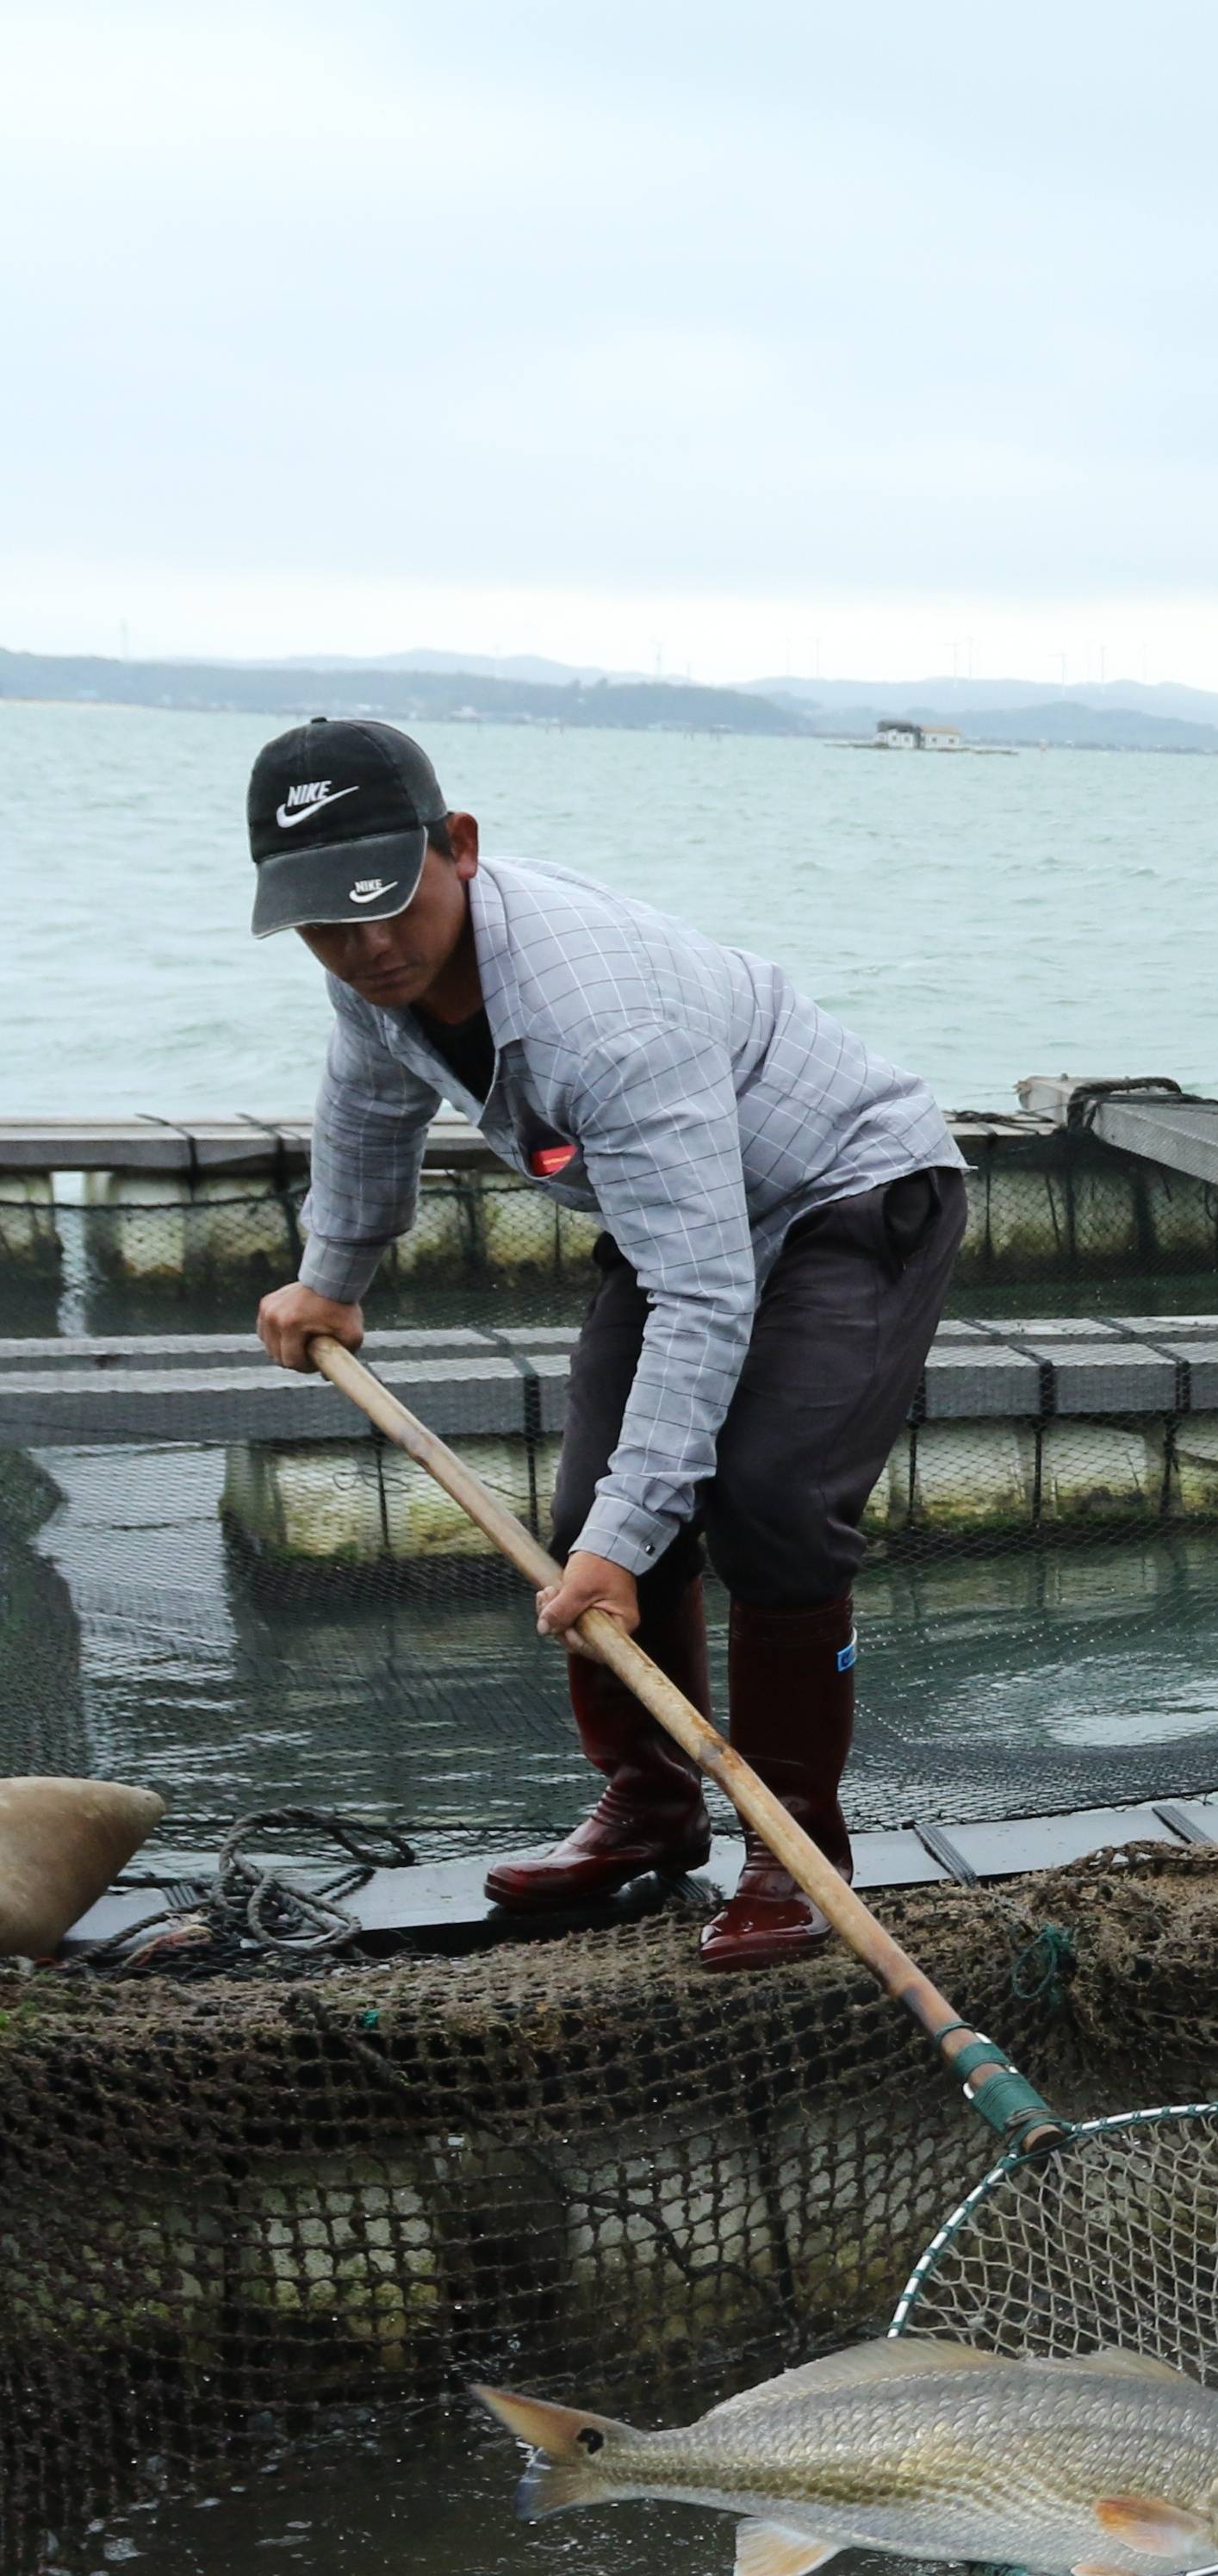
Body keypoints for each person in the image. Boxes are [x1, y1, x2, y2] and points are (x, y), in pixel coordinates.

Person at [242, 719, 965, 1968]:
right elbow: (366, 1114)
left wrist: (629, 1546)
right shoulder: (372, 977)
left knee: (769, 1498)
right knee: (592, 1509)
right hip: (683, 1208)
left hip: (847, 1193)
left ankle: (796, 1847)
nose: (362, 949)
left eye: (382, 908)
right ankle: (650, 1809)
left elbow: (702, 1295)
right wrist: (331, 1281)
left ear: (457, 847)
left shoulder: (603, 1012)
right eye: (322, 922)